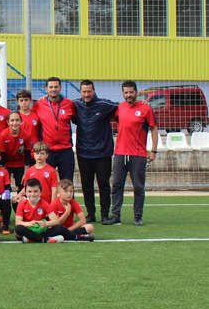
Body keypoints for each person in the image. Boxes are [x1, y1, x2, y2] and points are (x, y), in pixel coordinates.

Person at [105, 80, 158, 226]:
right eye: (126, 92)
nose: (128, 95)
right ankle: (115, 216)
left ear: (136, 92)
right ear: (123, 93)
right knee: (116, 186)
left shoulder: (146, 109)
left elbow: (154, 129)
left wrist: (153, 150)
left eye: (131, 92)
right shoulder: (119, 108)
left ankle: (138, 217)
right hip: (120, 154)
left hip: (138, 155)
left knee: (138, 187)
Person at [73, 80, 117, 223]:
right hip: (83, 153)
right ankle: (91, 214)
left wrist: (142, 104)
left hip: (102, 154)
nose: (86, 94)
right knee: (86, 185)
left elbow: (123, 107)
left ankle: (105, 215)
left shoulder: (105, 105)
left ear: (94, 90)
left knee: (103, 184)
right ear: (80, 92)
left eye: (89, 91)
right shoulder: (75, 105)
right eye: (84, 91)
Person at [32, 77, 76, 180]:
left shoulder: (69, 104)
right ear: (46, 89)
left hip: (65, 150)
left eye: (56, 87)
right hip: (47, 151)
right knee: (45, 182)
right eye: (51, 87)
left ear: (60, 88)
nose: (53, 89)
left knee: (67, 183)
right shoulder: (39, 104)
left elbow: (77, 120)